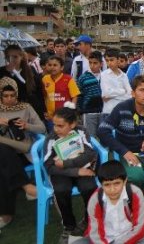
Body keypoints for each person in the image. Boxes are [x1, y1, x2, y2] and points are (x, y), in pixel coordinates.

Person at [97, 75, 144, 186]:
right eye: (141, 90)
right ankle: (138, 196)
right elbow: (102, 131)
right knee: (136, 177)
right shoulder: (122, 109)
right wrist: (124, 151)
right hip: (128, 155)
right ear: (133, 93)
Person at [43, 102, 98, 243]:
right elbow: (49, 166)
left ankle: (88, 220)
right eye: (54, 125)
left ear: (72, 124)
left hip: (79, 169)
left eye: (60, 126)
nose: (56, 129)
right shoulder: (51, 138)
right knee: (61, 190)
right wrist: (76, 171)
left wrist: (68, 164)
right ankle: (69, 225)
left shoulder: (81, 131)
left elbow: (90, 154)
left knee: (89, 187)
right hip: (62, 174)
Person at [72, 160, 144, 244]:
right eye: (107, 185)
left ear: (125, 181)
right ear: (101, 185)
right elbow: (95, 232)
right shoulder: (95, 199)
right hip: (104, 239)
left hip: (130, 237)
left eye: (117, 183)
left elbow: (139, 227)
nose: (112, 189)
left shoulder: (135, 193)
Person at [0, 77, 45, 229]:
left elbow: (42, 128)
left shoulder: (26, 107)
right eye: (5, 96)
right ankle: (26, 186)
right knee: (3, 153)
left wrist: (27, 126)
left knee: (3, 163)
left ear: (17, 94)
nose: (9, 99)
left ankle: (6, 214)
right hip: (6, 155)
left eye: (12, 95)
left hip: (24, 153)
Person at [0, 44, 46, 121]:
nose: (12, 60)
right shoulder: (2, 72)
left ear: (21, 57)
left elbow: (39, 92)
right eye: (9, 57)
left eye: (15, 57)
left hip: (32, 109)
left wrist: (44, 110)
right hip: (10, 111)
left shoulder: (30, 70)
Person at [42, 56, 80, 128]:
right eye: (50, 65)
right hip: (51, 118)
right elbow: (44, 96)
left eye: (55, 65)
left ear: (62, 67)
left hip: (65, 117)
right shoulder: (44, 79)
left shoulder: (68, 79)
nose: (52, 67)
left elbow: (74, 96)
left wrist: (71, 111)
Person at [76, 51, 103, 137]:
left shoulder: (106, 76)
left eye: (95, 63)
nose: (92, 65)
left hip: (104, 111)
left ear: (101, 64)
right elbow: (79, 96)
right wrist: (80, 111)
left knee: (104, 136)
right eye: (90, 63)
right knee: (90, 137)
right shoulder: (83, 78)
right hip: (88, 112)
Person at [101, 48, 132, 118]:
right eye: (107, 60)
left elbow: (130, 95)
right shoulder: (104, 75)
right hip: (108, 112)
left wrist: (112, 95)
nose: (109, 63)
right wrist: (123, 91)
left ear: (118, 60)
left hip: (122, 112)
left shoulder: (124, 75)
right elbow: (106, 93)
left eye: (111, 60)